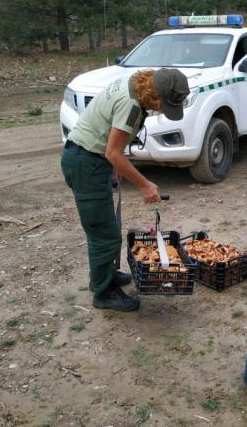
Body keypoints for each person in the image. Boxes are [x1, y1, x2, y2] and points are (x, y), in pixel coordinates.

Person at [61, 68, 190, 311]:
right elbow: (113, 152)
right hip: (86, 163)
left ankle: (102, 276)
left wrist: (113, 165)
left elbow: (110, 142)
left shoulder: (134, 83)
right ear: (154, 95)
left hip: (88, 157)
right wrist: (145, 185)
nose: (162, 111)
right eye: (164, 106)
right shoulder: (131, 105)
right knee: (106, 234)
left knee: (101, 227)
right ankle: (104, 293)